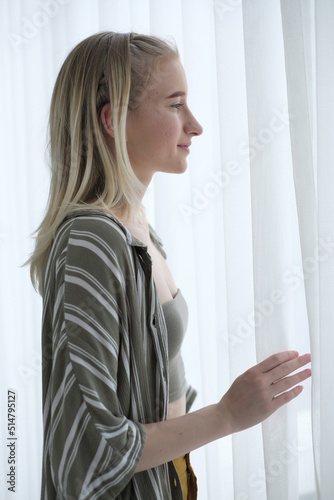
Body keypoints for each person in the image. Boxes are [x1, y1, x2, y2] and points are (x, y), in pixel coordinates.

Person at [28, 31, 311, 500]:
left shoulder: (140, 232)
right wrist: (227, 415)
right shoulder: (91, 242)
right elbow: (89, 451)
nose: (195, 125)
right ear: (113, 119)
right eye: (175, 104)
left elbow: (156, 394)